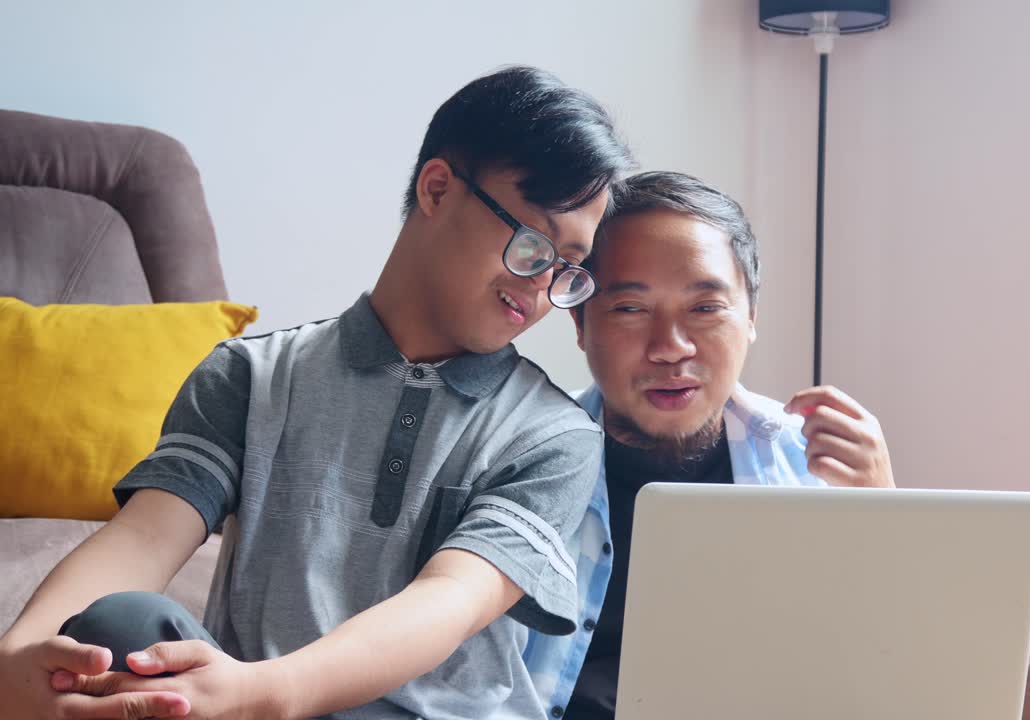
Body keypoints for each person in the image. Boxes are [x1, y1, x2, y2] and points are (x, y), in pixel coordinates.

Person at [0, 65, 633, 720]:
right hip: (249, 702)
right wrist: (18, 656)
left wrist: (264, 694)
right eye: (532, 245)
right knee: (123, 624)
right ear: (438, 189)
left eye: (567, 269)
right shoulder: (250, 376)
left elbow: (451, 600)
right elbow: (145, 538)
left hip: (370, 710)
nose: (540, 287)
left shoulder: (555, 439)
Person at [520, 171, 896, 719]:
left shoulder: (817, 461)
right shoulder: (520, 465)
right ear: (580, 324)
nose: (671, 348)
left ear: (751, 317)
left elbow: (879, 667)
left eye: (705, 308)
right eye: (630, 308)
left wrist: (886, 515)